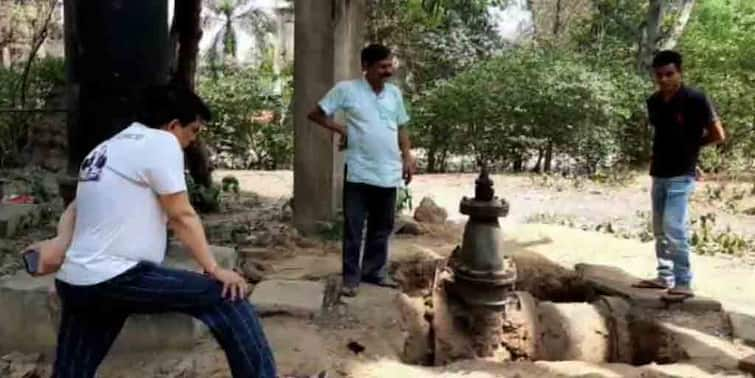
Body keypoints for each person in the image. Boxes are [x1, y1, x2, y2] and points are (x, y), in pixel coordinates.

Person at [24, 85, 277, 378]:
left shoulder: (106, 148)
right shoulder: (160, 143)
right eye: (192, 131)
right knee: (227, 297)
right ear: (172, 125)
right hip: (118, 278)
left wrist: (60, 244)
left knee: (72, 371)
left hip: (78, 281)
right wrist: (213, 268)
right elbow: (181, 214)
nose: (191, 141)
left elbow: (76, 208)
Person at [307, 44, 416, 297]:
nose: (388, 71)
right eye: (382, 67)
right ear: (365, 67)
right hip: (359, 171)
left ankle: (374, 272)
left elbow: (402, 127)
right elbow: (315, 114)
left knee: (383, 226)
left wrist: (407, 156)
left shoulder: (394, 94)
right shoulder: (347, 90)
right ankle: (350, 278)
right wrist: (343, 130)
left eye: (390, 66)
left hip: (389, 172)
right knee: (354, 227)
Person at [634, 50, 726, 298]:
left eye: (669, 74)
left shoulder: (695, 99)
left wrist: (691, 151)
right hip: (659, 173)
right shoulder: (653, 102)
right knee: (659, 228)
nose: (664, 79)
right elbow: (662, 135)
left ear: (680, 73)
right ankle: (665, 275)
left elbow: (718, 134)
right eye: (659, 75)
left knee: (674, 227)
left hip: (681, 174)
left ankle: (683, 282)